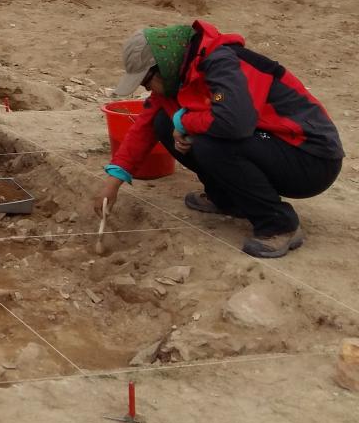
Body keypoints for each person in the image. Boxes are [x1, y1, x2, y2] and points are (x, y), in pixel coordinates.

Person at [93, 21, 344, 258]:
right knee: (163, 121)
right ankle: (226, 198)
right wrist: (114, 181)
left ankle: (279, 225)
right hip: (269, 143)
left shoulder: (222, 64)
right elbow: (144, 126)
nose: (148, 90)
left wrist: (186, 123)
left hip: (310, 157)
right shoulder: (178, 76)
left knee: (210, 143)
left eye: (147, 81)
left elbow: (234, 123)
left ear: (164, 65)